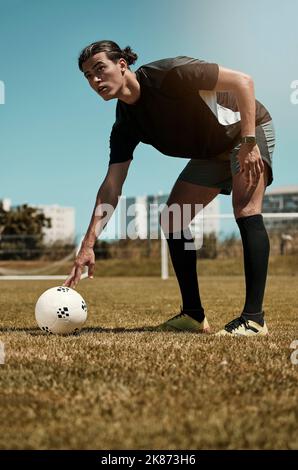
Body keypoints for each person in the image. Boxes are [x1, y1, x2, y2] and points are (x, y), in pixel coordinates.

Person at [64, 40, 275, 336]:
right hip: (210, 154)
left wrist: (250, 142)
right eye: (87, 75)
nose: (95, 80)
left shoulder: (170, 74)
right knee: (173, 218)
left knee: (245, 208)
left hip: (244, 131)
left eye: (100, 69)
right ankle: (193, 316)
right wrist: (88, 244)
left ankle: (254, 320)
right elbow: (112, 186)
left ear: (122, 65)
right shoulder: (125, 125)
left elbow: (244, 82)